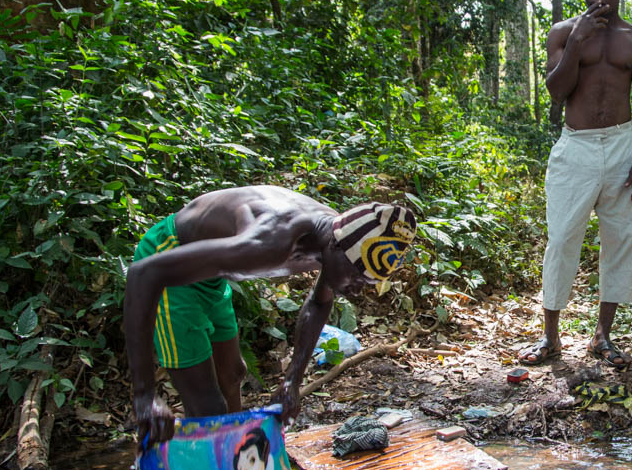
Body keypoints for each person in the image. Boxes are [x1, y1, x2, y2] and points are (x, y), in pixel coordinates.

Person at [125, 185, 417, 445]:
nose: (355, 291)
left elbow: (319, 303)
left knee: (234, 372)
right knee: (207, 406)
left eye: (365, 284)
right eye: (355, 278)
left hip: (213, 276)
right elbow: (144, 273)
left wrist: (292, 381)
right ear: (334, 246)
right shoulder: (270, 242)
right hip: (169, 263)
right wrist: (145, 395)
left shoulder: (339, 235)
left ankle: (230, 455)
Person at [518, 0, 632, 371]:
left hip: (621, 145)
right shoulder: (563, 33)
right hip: (575, 146)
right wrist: (577, 41)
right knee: (561, 239)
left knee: (622, 238)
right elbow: (556, 92)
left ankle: (603, 335)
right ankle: (551, 336)